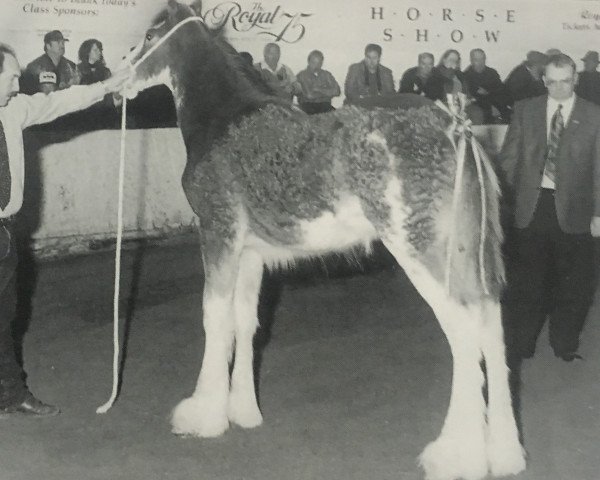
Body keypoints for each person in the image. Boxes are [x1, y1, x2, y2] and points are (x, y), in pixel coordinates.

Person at [0, 43, 129, 416]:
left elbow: (62, 101)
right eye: (10, 76)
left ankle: (8, 395)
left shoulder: (14, 110)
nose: (17, 83)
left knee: (3, 319)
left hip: (5, 237)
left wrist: (109, 85)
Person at [500, 53, 600, 362]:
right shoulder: (525, 110)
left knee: (574, 284)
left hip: (578, 211)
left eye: (565, 82)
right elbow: (509, 160)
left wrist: (599, 213)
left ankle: (564, 344)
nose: (558, 88)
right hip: (532, 207)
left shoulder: (595, 115)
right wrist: (500, 206)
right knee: (526, 283)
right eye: (552, 82)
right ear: (544, 80)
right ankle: (519, 345)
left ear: (576, 80)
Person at [22, 30, 79, 95]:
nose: (62, 45)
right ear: (48, 46)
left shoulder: (71, 66)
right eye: (58, 42)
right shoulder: (34, 68)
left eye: (63, 42)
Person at [463, 49, 510, 123]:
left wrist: (488, 92)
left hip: (496, 101)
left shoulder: (492, 72)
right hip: (478, 104)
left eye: (482, 59)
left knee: (509, 112)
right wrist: (489, 91)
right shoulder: (466, 75)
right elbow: (472, 93)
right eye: (476, 60)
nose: (480, 62)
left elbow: (501, 89)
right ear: (471, 61)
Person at [295, 50, 340, 114]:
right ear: (308, 61)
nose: (316, 66)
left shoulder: (327, 75)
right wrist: (328, 93)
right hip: (307, 107)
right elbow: (309, 95)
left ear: (322, 63)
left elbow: (337, 92)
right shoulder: (302, 75)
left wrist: (318, 89)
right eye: (314, 63)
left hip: (325, 106)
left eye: (319, 63)